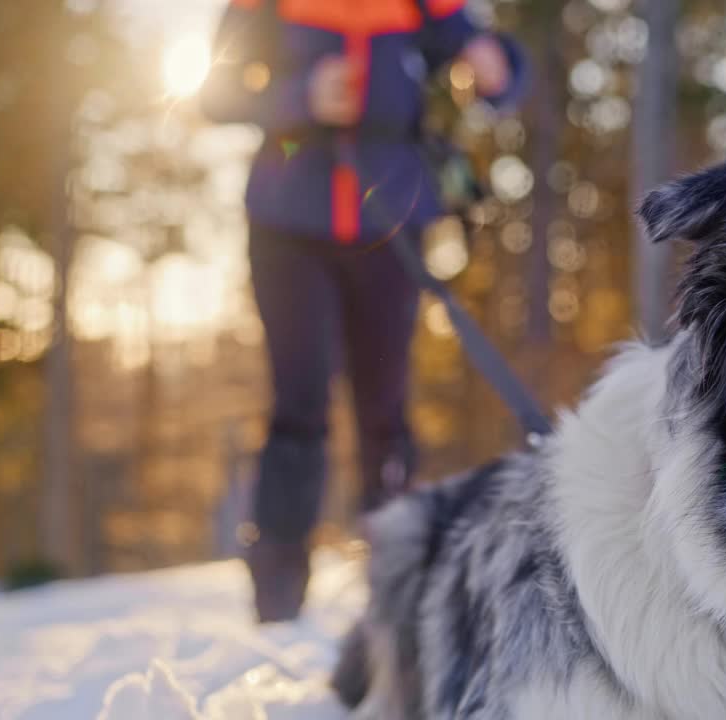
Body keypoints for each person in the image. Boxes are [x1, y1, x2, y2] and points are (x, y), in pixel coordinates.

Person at [200, 0, 525, 622]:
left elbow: (493, 66)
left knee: (385, 409)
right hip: (288, 226)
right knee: (300, 406)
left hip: (391, 220)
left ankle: (396, 586)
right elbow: (216, 94)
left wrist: (496, 67)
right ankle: (279, 592)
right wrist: (301, 98)